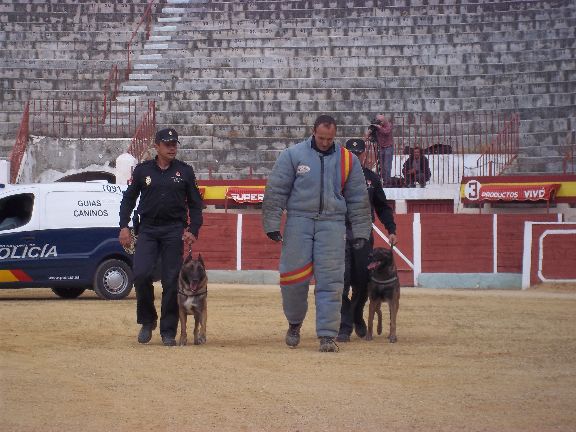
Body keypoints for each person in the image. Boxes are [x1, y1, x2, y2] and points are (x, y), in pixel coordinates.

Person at [262, 115, 372, 352]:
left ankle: (327, 335)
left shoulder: (348, 160)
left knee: (332, 282)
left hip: (333, 223)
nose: (324, 142)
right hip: (298, 221)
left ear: (335, 135)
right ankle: (294, 324)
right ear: (313, 132)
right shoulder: (292, 155)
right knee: (292, 279)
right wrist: (271, 224)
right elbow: (276, 191)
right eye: (321, 138)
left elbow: (358, 198)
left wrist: (362, 231)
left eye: (329, 139)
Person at [118, 128, 203, 346]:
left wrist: (193, 229)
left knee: (171, 280)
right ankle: (148, 321)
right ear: (156, 146)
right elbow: (128, 199)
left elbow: (195, 204)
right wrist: (124, 226)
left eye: (174, 144)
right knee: (141, 274)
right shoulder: (142, 171)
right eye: (167, 144)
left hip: (173, 230)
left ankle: (168, 330)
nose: (172, 148)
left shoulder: (185, 172)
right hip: (147, 229)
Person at [337, 138, 398, 342]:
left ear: (364, 155)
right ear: (345, 155)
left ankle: (356, 315)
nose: (355, 157)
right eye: (351, 153)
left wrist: (391, 228)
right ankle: (345, 325)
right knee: (342, 280)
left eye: (358, 153)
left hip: (363, 233)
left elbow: (381, 206)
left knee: (363, 281)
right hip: (339, 233)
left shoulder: (371, 178)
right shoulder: (335, 177)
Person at [365, 114, 394, 185]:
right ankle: (382, 180)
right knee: (381, 165)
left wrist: (379, 127)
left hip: (388, 147)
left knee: (387, 166)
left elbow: (386, 132)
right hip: (380, 147)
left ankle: (387, 182)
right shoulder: (377, 126)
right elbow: (371, 131)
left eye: (381, 121)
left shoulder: (388, 125)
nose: (380, 123)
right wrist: (370, 132)